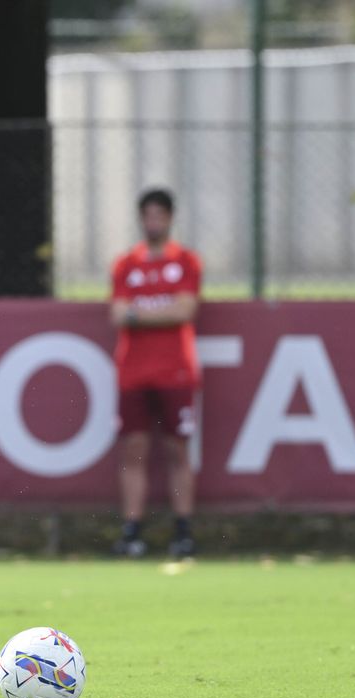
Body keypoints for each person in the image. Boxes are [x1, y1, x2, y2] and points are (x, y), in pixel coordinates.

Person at [109, 188, 201, 559]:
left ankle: (183, 530)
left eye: (159, 216)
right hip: (133, 372)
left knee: (177, 449)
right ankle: (132, 529)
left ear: (170, 218)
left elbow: (185, 311)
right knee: (133, 449)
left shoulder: (187, 262)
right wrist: (160, 311)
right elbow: (117, 314)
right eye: (148, 216)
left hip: (176, 371)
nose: (153, 223)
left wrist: (138, 314)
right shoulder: (126, 264)